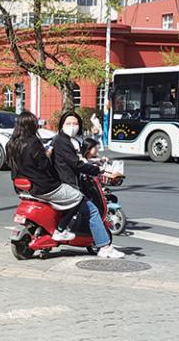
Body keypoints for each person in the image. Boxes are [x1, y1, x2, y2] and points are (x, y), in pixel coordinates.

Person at [52, 111, 124, 259]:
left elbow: (79, 160)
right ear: (62, 125)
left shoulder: (68, 141)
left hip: (66, 182)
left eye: (75, 123)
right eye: (69, 123)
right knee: (92, 211)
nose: (72, 126)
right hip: (68, 184)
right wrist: (100, 170)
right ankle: (104, 247)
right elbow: (76, 163)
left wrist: (96, 165)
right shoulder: (62, 141)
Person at [6, 111, 84, 242]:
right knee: (77, 196)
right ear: (32, 125)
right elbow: (45, 165)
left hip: (21, 188)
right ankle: (61, 229)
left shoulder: (10, 144)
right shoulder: (33, 142)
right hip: (42, 187)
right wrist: (47, 153)